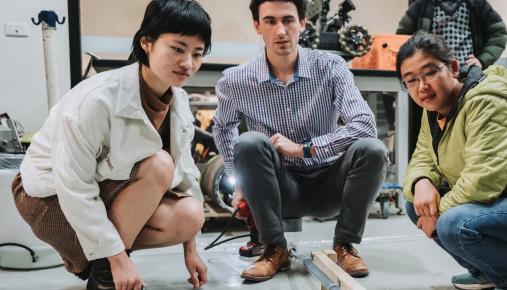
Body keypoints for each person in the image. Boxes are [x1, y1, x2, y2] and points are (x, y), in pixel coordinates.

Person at [13, 0, 211, 289]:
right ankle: (106, 276)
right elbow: (73, 185)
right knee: (158, 165)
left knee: (191, 214)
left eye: (197, 53)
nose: (188, 64)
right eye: (178, 49)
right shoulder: (97, 100)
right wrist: (118, 261)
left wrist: (190, 250)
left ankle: (104, 262)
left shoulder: (178, 99)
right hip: (48, 198)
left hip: (105, 191)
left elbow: (186, 174)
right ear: (147, 42)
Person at [213, 0, 388, 282]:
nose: (280, 30)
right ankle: (274, 248)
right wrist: (238, 179)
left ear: (302, 23)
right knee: (249, 142)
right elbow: (222, 127)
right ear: (257, 26)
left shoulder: (331, 68)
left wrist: (305, 147)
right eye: (270, 21)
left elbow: (365, 125)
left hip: (331, 184)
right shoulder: (236, 80)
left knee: (372, 149)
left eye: (288, 20)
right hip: (279, 189)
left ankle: (345, 245)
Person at [398, 32, 507, 290]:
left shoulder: (486, 102)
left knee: (451, 223)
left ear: (453, 68)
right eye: (411, 80)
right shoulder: (434, 110)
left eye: (429, 73)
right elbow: (423, 157)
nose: (422, 87)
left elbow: (483, 181)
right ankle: (485, 272)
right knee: (414, 203)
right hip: (502, 202)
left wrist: (435, 214)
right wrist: (421, 182)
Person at [396, 0, 507, 70]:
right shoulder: (422, 4)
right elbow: (402, 37)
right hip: (432, 71)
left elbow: (499, 33)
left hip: (467, 72)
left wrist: (482, 60)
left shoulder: (477, 4)